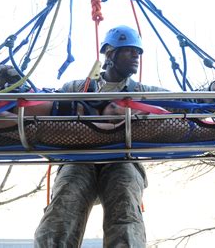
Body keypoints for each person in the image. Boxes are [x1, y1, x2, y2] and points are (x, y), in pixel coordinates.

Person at [32, 25, 166, 248]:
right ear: (110, 54)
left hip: (121, 159)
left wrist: (211, 90)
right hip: (79, 158)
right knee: (63, 207)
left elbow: (181, 101)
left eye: (138, 51)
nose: (136, 55)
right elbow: (45, 105)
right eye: (129, 50)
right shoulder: (76, 89)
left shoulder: (142, 92)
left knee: (124, 206)